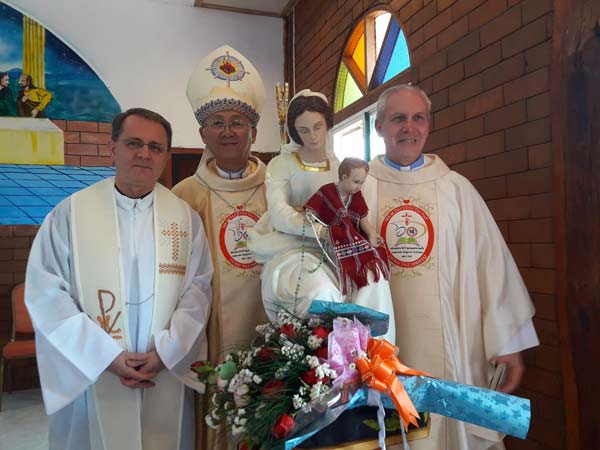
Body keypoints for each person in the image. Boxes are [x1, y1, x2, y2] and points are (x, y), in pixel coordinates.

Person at [362, 84, 539, 450]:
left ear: (428, 125)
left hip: (454, 349)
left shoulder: (456, 189)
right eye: (398, 118)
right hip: (377, 349)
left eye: (418, 118)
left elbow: (490, 266)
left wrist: (507, 342)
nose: (409, 128)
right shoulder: (358, 192)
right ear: (379, 126)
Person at [25, 108, 213, 450]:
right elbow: (47, 292)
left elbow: (198, 290)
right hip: (95, 368)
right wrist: (103, 355)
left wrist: (167, 351)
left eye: (155, 147)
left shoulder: (185, 219)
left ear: (165, 157)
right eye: (133, 143)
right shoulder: (70, 214)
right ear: (112, 148)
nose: (144, 154)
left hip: (162, 367)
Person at [171, 45, 269, 450]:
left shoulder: (279, 190)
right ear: (202, 134)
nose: (227, 132)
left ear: (253, 132)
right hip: (210, 334)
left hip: (273, 329)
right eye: (217, 123)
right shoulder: (183, 196)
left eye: (237, 122)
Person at [248, 90, 343, 320]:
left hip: (334, 249)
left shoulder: (337, 167)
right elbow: (280, 214)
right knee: (320, 293)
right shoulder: (281, 164)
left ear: (328, 125)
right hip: (292, 247)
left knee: (372, 282)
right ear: (295, 132)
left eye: (318, 127)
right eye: (304, 130)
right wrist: (321, 231)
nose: (313, 136)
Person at [304, 157, 395, 342]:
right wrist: (310, 215)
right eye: (355, 181)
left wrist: (372, 234)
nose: (358, 187)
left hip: (352, 235)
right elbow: (312, 209)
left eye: (361, 182)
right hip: (333, 237)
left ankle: (367, 305)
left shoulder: (356, 195)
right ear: (344, 176)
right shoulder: (327, 191)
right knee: (359, 253)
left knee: (375, 254)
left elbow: (362, 219)